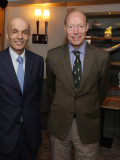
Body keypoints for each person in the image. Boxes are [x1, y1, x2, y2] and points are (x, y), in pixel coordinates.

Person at [46, 10, 110, 160]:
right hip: (59, 123)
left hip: (88, 124)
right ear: (64, 29)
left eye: (80, 26)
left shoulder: (102, 57)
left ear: (87, 27)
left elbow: (102, 91)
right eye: (71, 26)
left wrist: (88, 106)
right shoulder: (53, 56)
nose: (76, 32)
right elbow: (51, 88)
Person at [0, 17, 44, 160]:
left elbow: (37, 95)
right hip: (4, 135)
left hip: (31, 135)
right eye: (14, 31)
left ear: (29, 36)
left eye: (24, 32)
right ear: (7, 35)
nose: (19, 36)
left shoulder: (38, 61)